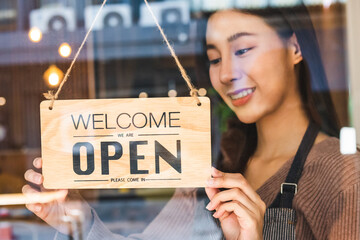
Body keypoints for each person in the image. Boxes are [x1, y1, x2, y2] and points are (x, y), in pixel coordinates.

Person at [23, 3, 360, 240]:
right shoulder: (209, 168)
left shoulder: (345, 174)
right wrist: (76, 219)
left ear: (295, 47)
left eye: (242, 50)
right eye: (214, 58)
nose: (226, 73)